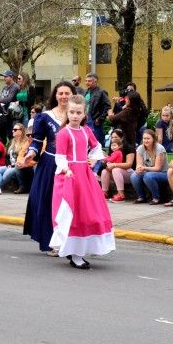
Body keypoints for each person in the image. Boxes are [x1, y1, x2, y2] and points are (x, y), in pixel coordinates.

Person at [50, 95, 114, 268]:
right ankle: (74, 254)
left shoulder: (86, 131)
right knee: (72, 214)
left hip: (84, 175)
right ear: (67, 113)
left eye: (78, 112)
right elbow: (60, 156)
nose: (75, 115)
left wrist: (93, 159)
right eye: (71, 112)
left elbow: (97, 146)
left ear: (84, 113)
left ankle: (78, 251)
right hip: (69, 177)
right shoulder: (63, 133)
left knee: (87, 213)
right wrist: (66, 169)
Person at [22, 80, 74, 254]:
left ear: (73, 95)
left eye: (67, 93)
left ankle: (74, 241)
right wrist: (31, 153)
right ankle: (52, 241)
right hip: (50, 164)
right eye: (61, 93)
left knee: (70, 204)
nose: (64, 96)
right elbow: (37, 142)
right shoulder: (45, 117)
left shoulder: (78, 115)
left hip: (72, 166)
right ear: (55, 96)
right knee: (47, 201)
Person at [131, 130, 167, 204]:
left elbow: (158, 168)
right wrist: (138, 168)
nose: (146, 140)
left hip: (163, 173)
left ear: (153, 139)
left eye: (148, 138)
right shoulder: (140, 148)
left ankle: (156, 198)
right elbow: (139, 164)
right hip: (149, 172)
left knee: (148, 176)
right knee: (134, 176)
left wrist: (144, 168)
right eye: (144, 138)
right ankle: (141, 197)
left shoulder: (159, 148)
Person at [100, 131, 135, 202]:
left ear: (122, 138)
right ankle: (104, 193)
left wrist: (114, 165)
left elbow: (129, 164)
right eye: (112, 137)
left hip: (129, 173)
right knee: (104, 171)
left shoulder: (129, 147)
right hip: (117, 173)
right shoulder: (113, 147)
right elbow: (110, 160)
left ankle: (121, 195)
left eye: (116, 137)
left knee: (115, 170)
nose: (113, 139)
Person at [83, 73, 111, 139]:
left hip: (95, 122)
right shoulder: (85, 92)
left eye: (89, 81)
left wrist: (100, 119)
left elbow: (107, 106)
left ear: (95, 82)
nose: (87, 83)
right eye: (86, 81)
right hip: (85, 121)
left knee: (97, 142)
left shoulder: (101, 92)